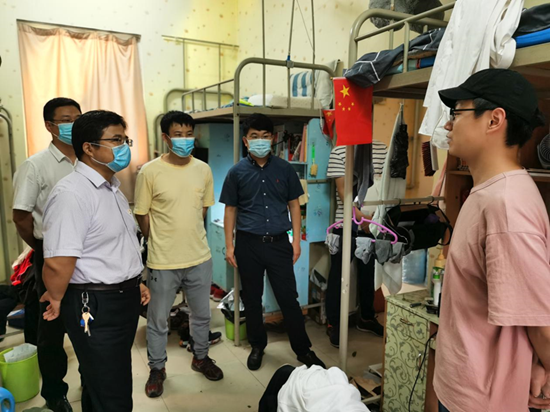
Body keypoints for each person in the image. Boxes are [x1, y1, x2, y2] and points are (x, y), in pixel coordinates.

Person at [433, 69, 550, 412]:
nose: (448, 124)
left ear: (494, 120)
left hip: (481, 400)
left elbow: (541, 326)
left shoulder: (507, 206)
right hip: (465, 385)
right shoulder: (488, 193)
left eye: (457, 113)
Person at [40, 110, 151, 412]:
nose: (124, 146)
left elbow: (115, 244)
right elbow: (58, 261)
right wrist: (57, 298)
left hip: (121, 297)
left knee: (102, 378)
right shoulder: (72, 194)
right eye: (116, 140)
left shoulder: (111, 187)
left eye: (125, 139)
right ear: (89, 148)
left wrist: (135, 281)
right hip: (95, 305)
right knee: (112, 392)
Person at [220, 113, 325, 371]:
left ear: (272, 139)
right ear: (246, 141)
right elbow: (230, 210)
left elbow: (294, 206)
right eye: (254, 136)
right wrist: (230, 245)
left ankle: (303, 350)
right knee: (252, 299)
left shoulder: (285, 169)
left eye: (265, 136)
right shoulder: (236, 172)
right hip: (248, 244)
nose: (260, 141)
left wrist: (297, 242)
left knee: (288, 298)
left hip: (279, 244)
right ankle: (257, 345)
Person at [134, 110, 223, 398]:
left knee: (202, 315)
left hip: (199, 257)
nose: (185, 140)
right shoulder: (150, 172)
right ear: (166, 137)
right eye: (178, 135)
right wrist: (158, 240)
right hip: (163, 261)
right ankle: (157, 368)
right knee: (158, 321)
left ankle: (201, 357)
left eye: (189, 134)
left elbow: (203, 210)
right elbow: (142, 214)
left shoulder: (203, 170)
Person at [12, 97, 81, 412]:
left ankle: (92, 381)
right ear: (50, 126)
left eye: (77, 117)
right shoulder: (35, 165)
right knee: (52, 326)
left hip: (87, 252)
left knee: (87, 319)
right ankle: (55, 393)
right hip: (51, 252)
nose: (73, 124)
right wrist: (43, 245)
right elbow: (21, 216)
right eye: (66, 119)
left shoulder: (89, 159)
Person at [325, 141, 387, 347]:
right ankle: (334, 323)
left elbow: (385, 186)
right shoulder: (340, 151)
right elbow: (343, 189)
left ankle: (367, 318)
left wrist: (374, 219)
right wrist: (360, 217)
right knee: (338, 274)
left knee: (369, 272)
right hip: (345, 223)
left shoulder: (381, 149)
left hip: (374, 222)